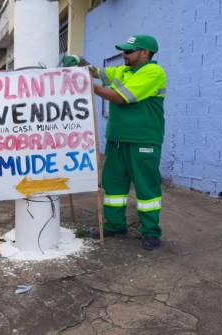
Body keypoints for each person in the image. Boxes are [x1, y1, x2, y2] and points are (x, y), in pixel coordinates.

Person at [65, 35, 167, 250]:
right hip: (117, 139)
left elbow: (120, 97)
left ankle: (150, 232)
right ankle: (115, 225)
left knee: (146, 187)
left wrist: (86, 86)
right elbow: (97, 72)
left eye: (129, 51)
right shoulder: (124, 71)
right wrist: (79, 61)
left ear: (145, 53)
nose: (124, 54)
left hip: (143, 139)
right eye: (123, 50)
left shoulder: (153, 72)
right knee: (113, 186)